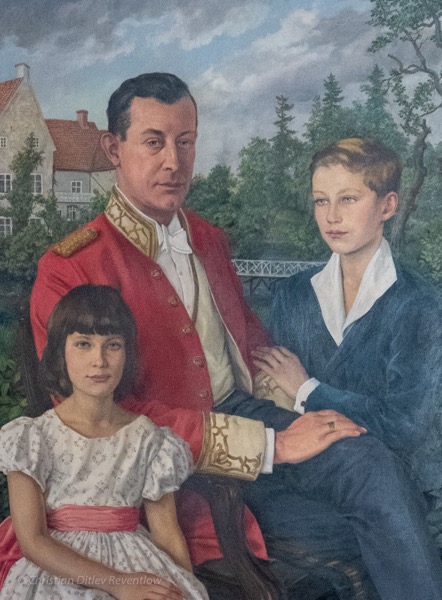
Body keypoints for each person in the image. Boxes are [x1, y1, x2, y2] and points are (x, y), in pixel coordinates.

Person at [29, 74, 442, 600]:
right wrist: (274, 445)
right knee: (348, 532)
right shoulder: (73, 265)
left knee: (369, 463)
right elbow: (94, 419)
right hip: (168, 460)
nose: (174, 162)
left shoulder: (207, 237)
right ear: (114, 149)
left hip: (249, 411)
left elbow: (251, 347)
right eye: (154, 142)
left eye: (186, 142)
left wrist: (305, 402)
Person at [251, 136, 442, 590]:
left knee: (383, 523)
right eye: (321, 201)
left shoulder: (419, 305)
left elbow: (403, 427)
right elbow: (271, 398)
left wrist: (307, 390)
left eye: (348, 199)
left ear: (388, 205)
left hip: (404, 487)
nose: (331, 216)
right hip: (308, 482)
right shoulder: (294, 295)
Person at [0, 284, 209, 600]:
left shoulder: (149, 438)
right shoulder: (33, 437)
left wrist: (184, 588)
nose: (99, 360)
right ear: (60, 353)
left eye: (112, 345)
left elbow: (167, 533)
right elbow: (33, 541)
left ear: (127, 353)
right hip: (58, 569)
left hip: (137, 562)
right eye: (83, 344)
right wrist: (118, 584)